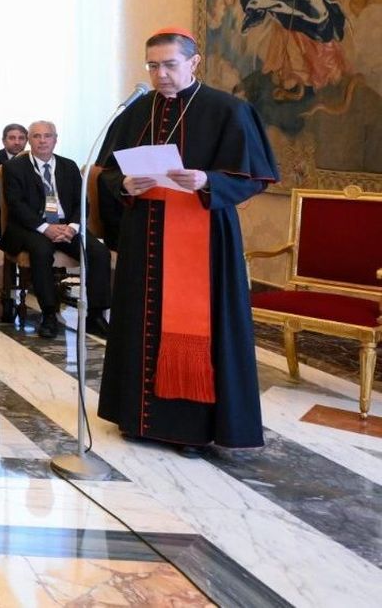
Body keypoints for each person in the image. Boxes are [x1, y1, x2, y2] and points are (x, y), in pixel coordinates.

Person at [96, 27, 278, 450]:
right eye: (153, 66)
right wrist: (125, 184)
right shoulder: (136, 112)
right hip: (145, 236)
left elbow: (253, 177)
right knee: (141, 322)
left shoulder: (228, 109)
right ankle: (136, 418)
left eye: (170, 65)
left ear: (194, 62)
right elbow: (106, 172)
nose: (161, 75)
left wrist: (206, 179)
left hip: (205, 236)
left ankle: (194, 427)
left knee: (206, 327)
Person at [3, 121, 112, 338]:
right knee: (41, 251)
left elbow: (82, 202)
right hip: (32, 227)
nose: (42, 140)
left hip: (66, 225)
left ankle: (95, 315)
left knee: (99, 252)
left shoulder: (68, 166)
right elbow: (16, 205)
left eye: (47, 136)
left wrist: (72, 227)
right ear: (29, 140)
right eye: (37, 136)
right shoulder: (14, 167)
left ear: (55, 139)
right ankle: (49, 313)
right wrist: (45, 228)